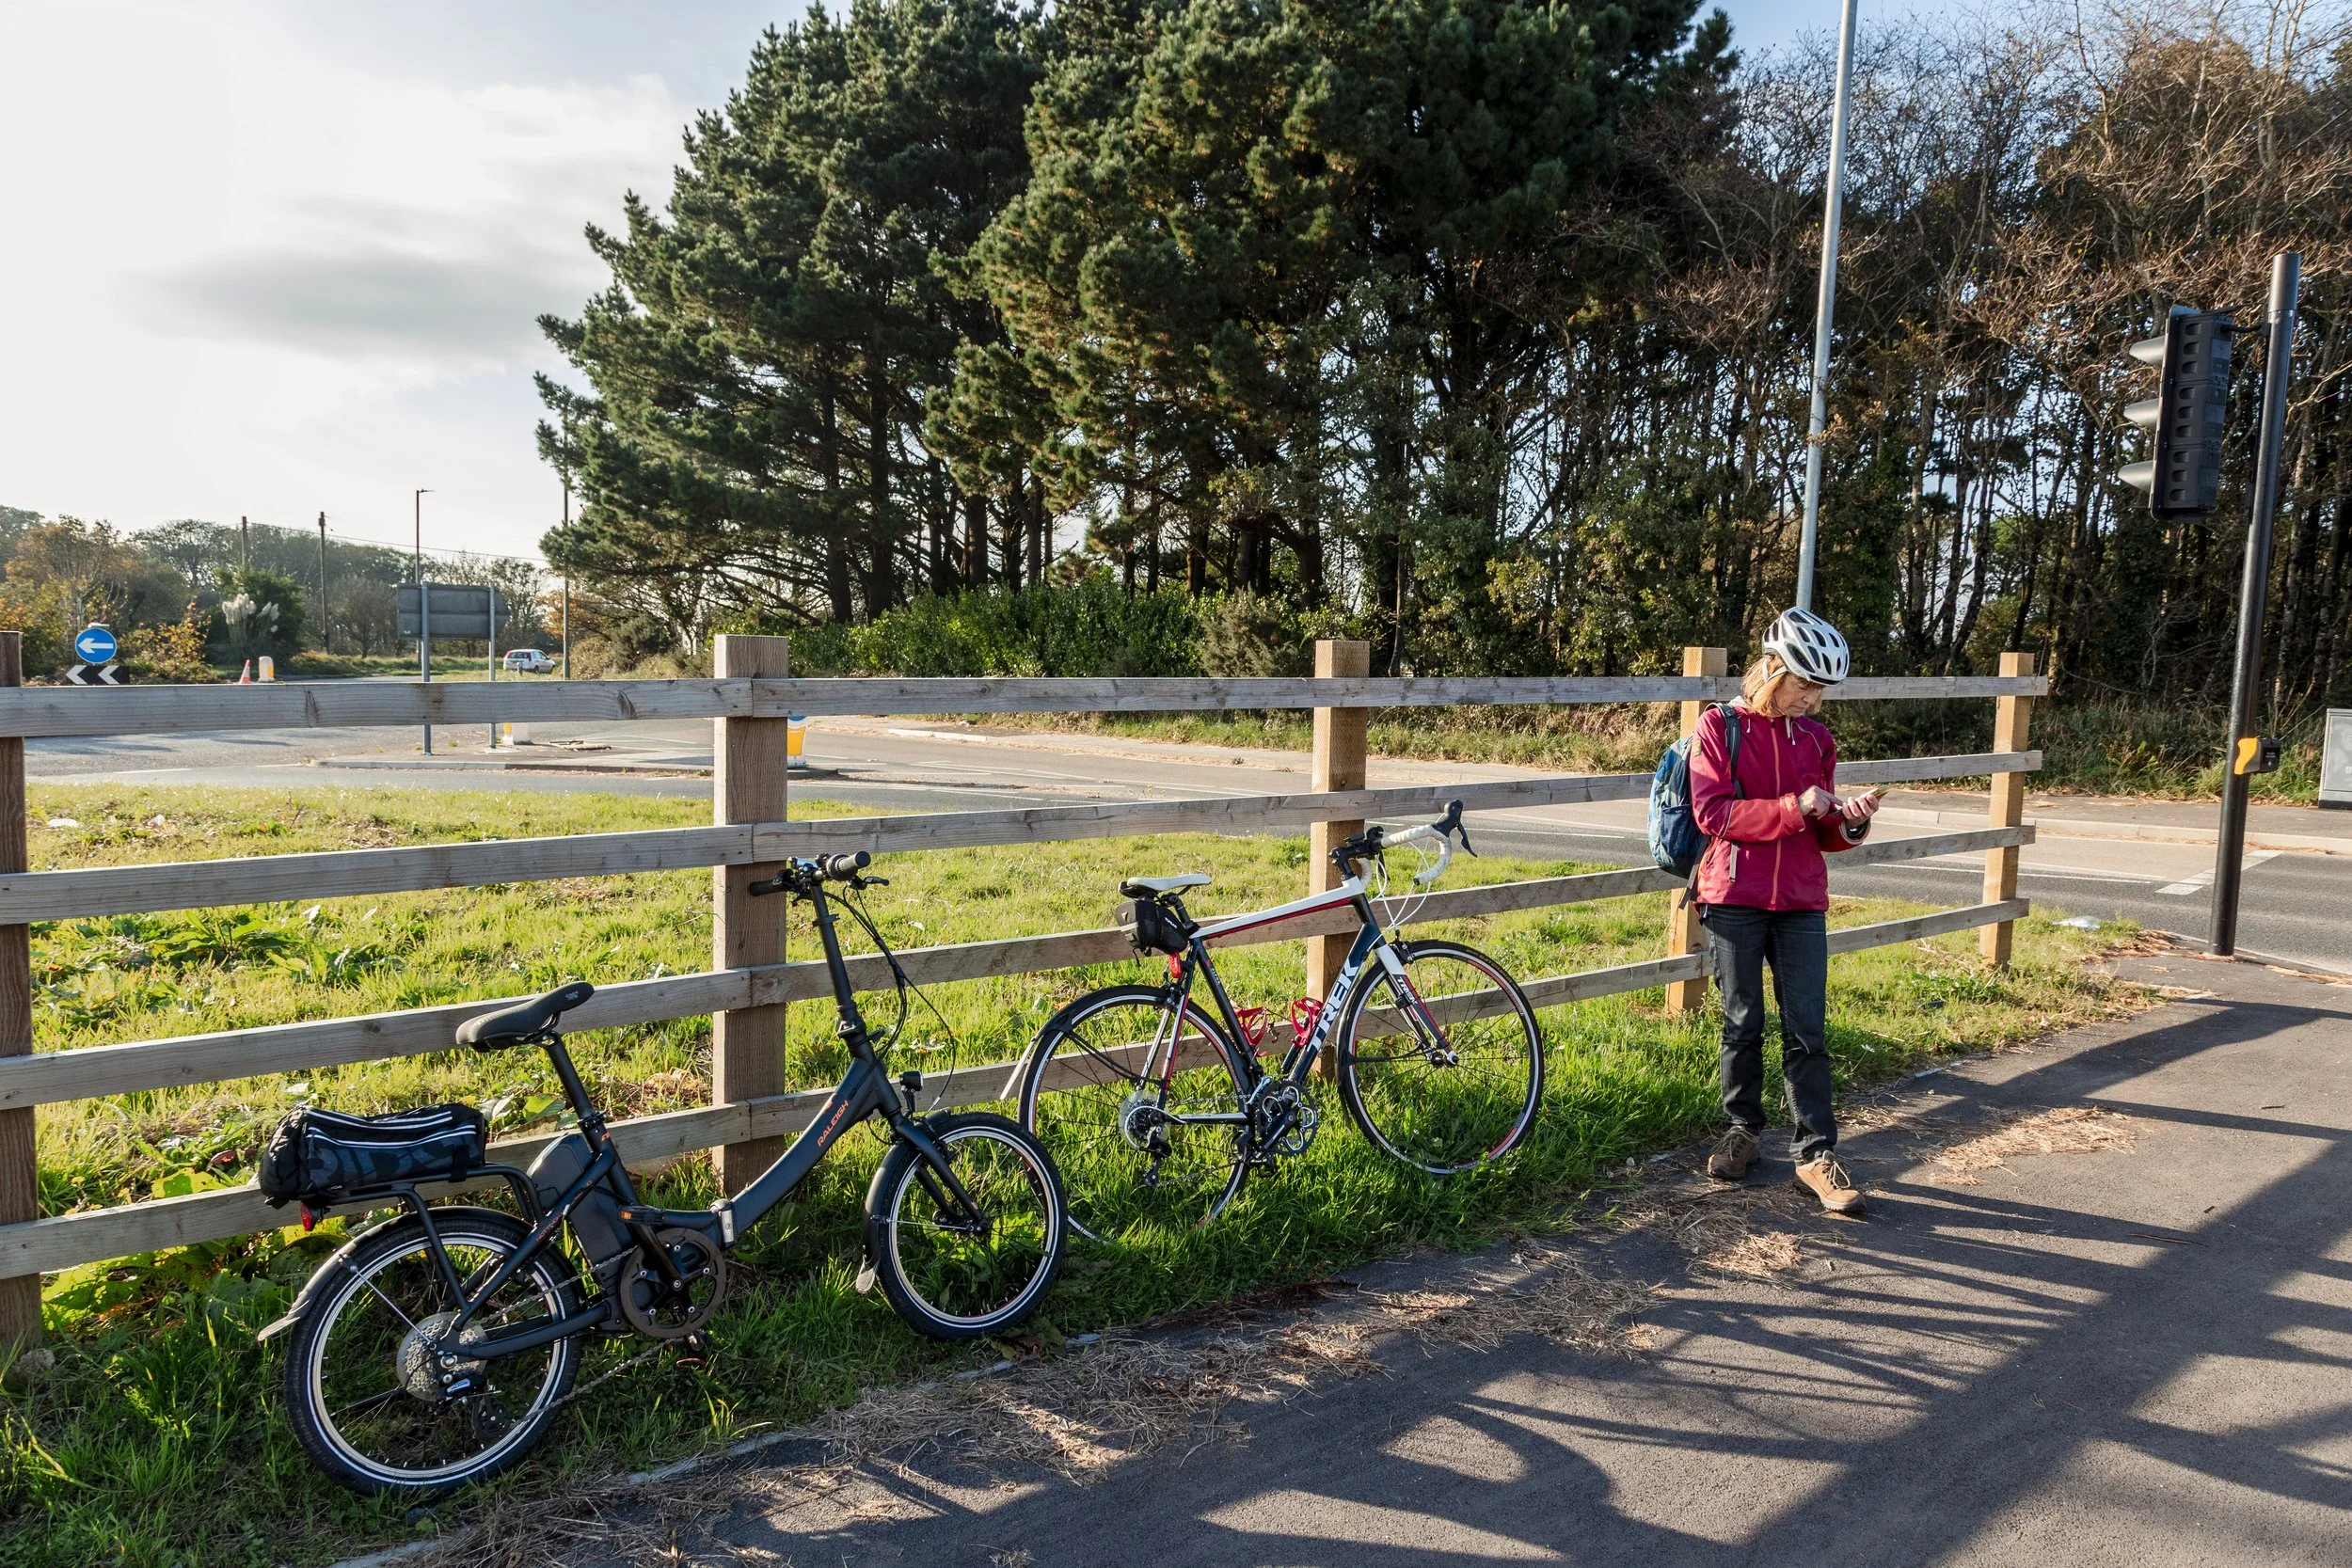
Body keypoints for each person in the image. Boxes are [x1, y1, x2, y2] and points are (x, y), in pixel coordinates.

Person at [1688, 608, 1881, 1214]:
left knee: (1807, 1028)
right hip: (1734, 896)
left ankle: (1817, 1155)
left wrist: (1850, 823)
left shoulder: (1818, 741)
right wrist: (1797, 806)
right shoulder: (1719, 727)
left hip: (1801, 899)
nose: (1813, 700)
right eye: (1804, 685)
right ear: (1772, 671)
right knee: (1741, 1021)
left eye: (1821, 690)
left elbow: (1820, 835)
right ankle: (1742, 1131)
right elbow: (1713, 815)